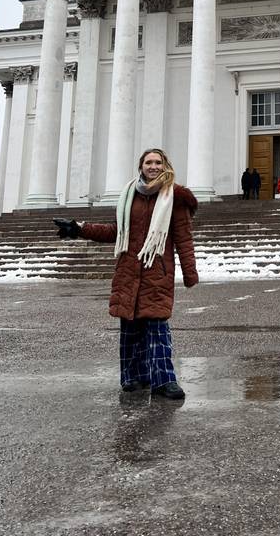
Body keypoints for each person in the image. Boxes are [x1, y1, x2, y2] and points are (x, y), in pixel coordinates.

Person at [54, 148, 198, 399]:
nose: (153, 166)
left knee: (156, 327)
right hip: (129, 268)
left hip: (156, 269)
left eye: (158, 162)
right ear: (141, 166)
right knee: (130, 326)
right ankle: (133, 377)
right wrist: (79, 229)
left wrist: (189, 272)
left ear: (166, 166)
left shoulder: (175, 198)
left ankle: (164, 380)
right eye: (148, 162)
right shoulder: (130, 195)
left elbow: (184, 238)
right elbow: (116, 231)